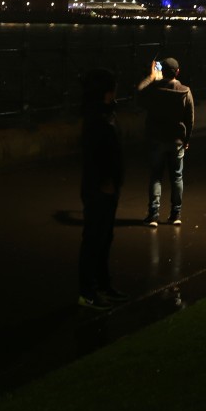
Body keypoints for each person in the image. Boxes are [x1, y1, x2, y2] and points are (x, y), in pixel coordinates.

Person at [77, 68, 129, 309]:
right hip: (101, 188)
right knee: (94, 239)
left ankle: (102, 285)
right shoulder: (98, 119)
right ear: (108, 91)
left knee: (104, 237)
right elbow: (97, 154)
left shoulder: (102, 114)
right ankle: (88, 291)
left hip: (105, 186)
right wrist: (106, 181)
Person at [137, 57, 194, 227]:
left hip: (156, 139)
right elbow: (190, 119)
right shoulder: (185, 91)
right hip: (176, 140)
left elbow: (139, 92)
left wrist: (152, 77)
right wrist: (187, 139)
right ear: (177, 72)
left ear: (163, 72)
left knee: (156, 177)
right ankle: (175, 215)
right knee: (177, 177)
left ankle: (153, 215)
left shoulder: (155, 89)